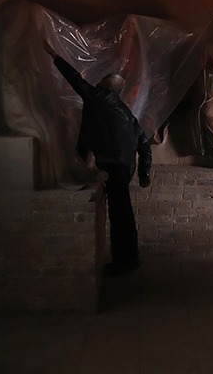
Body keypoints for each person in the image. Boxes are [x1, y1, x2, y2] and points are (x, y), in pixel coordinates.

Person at [41, 39, 151, 274]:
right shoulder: (126, 113)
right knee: (122, 212)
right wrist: (144, 173)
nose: (97, 85)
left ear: (109, 89)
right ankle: (128, 257)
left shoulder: (101, 98)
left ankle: (126, 261)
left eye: (101, 84)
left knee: (120, 215)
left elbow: (76, 81)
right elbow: (144, 143)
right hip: (123, 167)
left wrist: (54, 54)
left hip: (113, 166)